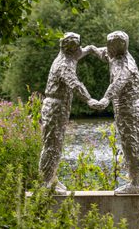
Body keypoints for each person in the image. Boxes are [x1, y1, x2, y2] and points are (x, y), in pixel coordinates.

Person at [88, 31, 139, 194]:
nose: (108, 49)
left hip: (129, 108)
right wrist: (90, 49)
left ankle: (137, 183)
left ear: (120, 47)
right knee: (129, 141)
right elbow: (103, 53)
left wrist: (105, 100)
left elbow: (117, 84)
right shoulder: (114, 55)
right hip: (122, 108)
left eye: (111, 46)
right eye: (108, 45)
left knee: (131, 143)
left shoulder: (126, 65)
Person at [38, 32, 97, 194]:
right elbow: (75, 84)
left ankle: (51, 178)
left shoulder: (68, 56)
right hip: (55, 107)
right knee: (52, 145)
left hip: (60, 106)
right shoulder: (63, 64)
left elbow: (81, 53)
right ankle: (45, 182)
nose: (79, 49)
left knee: (57, 143)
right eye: (77, 46)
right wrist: (89, 99)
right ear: (70, 48)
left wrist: (92, 49)